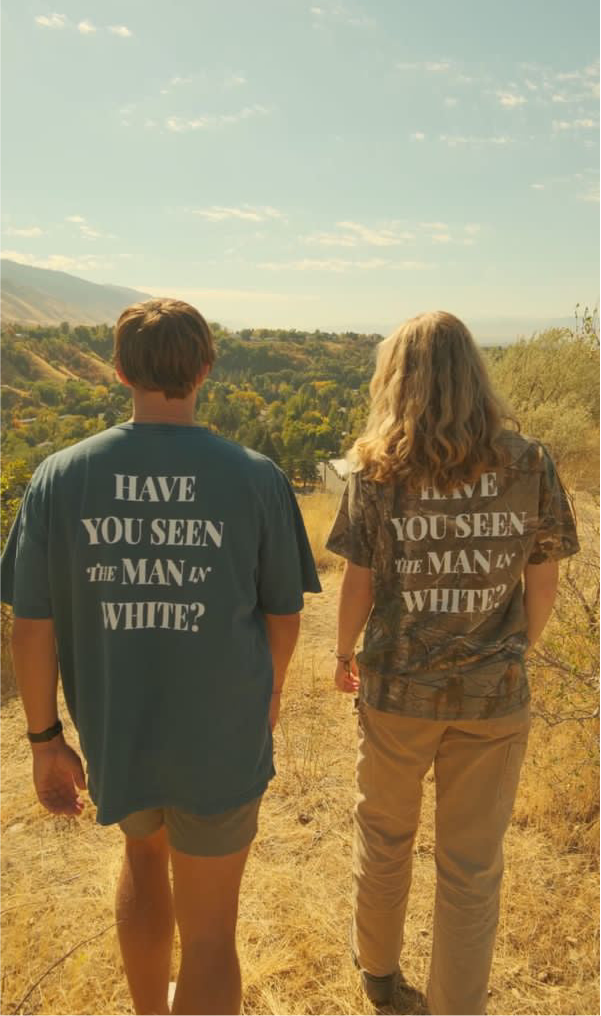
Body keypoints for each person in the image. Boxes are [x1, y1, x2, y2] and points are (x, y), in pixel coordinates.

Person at [0, 298, 321, 1016]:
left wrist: (44, 740)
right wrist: (268, 699)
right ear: (205, 368)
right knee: (211, 935)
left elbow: (31, 626)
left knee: (143, 862)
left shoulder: (59, 476)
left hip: (118, 727)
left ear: (118, 370)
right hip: (222, 735)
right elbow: (284, 615)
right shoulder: (257, 476)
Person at [326, 311, 579, 1016]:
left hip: (396, 692)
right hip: (493, 696)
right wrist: (513, 652)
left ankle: (379, 973)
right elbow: (543, 581)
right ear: (475, 373)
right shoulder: (528, 461)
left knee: (384, 838)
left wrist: (342, 654)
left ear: (395, 378)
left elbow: (357, 582)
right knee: (471, 867)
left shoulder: (376, 467)